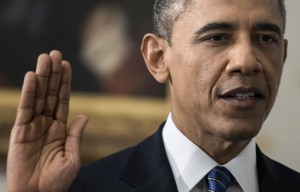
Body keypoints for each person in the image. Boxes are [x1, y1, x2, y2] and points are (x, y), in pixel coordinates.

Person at [6, 0, 300, 191]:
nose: (247, 62)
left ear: (283, 56)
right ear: (158, 58)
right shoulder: (80, 188)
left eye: (266, 39)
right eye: (217, 37)